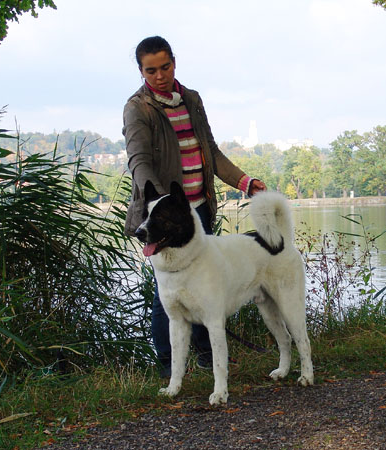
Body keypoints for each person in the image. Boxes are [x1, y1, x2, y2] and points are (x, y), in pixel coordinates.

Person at [123, 36, 266, 377]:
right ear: (141, 71)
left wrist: (245, 182)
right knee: (167, 292)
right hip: (166, 216)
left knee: (206, 285)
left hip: (198, 209)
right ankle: (168, 367)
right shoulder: (137, 108)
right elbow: (139, 161)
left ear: (174, 62)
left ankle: (206, 357)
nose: (160, 76)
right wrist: (163, 204)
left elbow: (210, 151)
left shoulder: (191, 99)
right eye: (151, 70)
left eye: (165, 67)